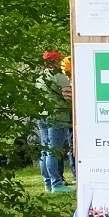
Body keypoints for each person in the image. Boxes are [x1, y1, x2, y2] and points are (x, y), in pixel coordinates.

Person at [36, 50, 74, 193]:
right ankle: (57, 184)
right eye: (59, 59)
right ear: (54, 61)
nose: (61, 62)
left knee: (45, 151)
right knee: (54, 151)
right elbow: (68, 97)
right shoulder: (59, 76)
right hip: (57, 115)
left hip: (42, 115)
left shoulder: (40, 77)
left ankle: (48, 183)